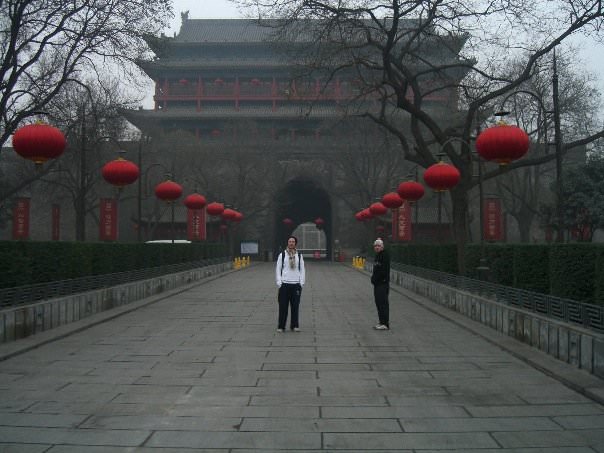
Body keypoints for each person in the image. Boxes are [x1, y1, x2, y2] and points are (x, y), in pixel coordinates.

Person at [275, 235, 306, 332]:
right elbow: (278, 269)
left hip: (296, 284)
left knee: (295, 306)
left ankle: (295, 325)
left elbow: (302, 270)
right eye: (289, 241)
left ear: (295, 243)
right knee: (283, 306)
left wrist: (301, 283)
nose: (291, 243)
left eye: (293, 241)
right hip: (285, 284)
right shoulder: (282, 255)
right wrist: (279, 283)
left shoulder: (299, 255)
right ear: (287, 243)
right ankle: (281, 326)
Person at [371, 238, 390, 330]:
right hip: (377, 284)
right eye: (376, 246)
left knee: (383, 303)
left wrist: (377, 279)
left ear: (382, 247)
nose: (377, 247)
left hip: (382, 283)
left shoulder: (385, 255)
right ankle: (381, 322)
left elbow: (383, 271)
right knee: (378, 303)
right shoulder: (377, 255)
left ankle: (385, 323)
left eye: (379, 246)